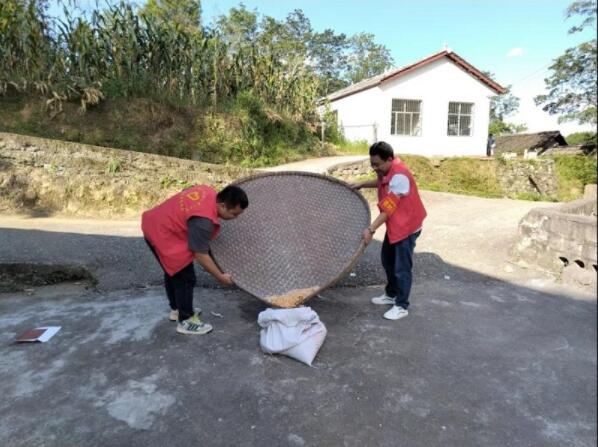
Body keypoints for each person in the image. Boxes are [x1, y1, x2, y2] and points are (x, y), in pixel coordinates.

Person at [142, 184, 248, 335]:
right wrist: (220, 277)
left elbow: (185, 191)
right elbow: (200, 254)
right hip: (162, 234)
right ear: (222, 205)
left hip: (153, 223)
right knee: (185, 278)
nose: (235, 218)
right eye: (234, 214)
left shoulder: (208, 190)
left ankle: (177, 309)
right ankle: (186, 321)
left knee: (172, 272)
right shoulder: (204, 222)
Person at [351, 141, 427, 320]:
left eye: (377, 164)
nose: (374, 168)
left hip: (407, 227)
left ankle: (401, 305)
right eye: (372, 164)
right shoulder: (386, 171)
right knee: (388, 260)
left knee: (402, 267)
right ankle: (391, 294)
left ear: (389, 159)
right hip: (396, 225)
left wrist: (371, 229)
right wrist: (361, 184)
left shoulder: (400, 176)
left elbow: (388, 209)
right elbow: (381, 182)